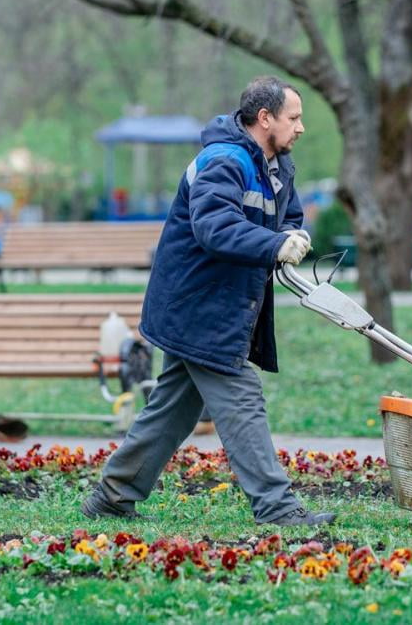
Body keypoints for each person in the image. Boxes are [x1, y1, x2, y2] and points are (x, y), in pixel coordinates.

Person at [81, 76, 334, 527]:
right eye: (293, 118)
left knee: (173, 409)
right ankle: (277, 508)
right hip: (198, 306)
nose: (300, 128)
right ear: (265, 119)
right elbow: (215, 227)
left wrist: (291, 235)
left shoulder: (275, 164)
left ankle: (113, 495)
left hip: (220, 305)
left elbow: (286, 216)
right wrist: (273, 246)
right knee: (241, 400)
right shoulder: (223, 161)